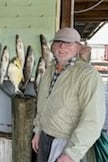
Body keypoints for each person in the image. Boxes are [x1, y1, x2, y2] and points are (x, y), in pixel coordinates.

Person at [31, 27, 106, 162]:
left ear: (78, 47)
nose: (62, 46)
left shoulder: (88, 75)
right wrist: (38, 131)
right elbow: (43, 104)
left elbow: (93, 119)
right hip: (45, 137)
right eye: (58, 41)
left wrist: (72, 154)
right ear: (52, 46)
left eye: (68, 43)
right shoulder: (49, 70)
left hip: (67, 142)